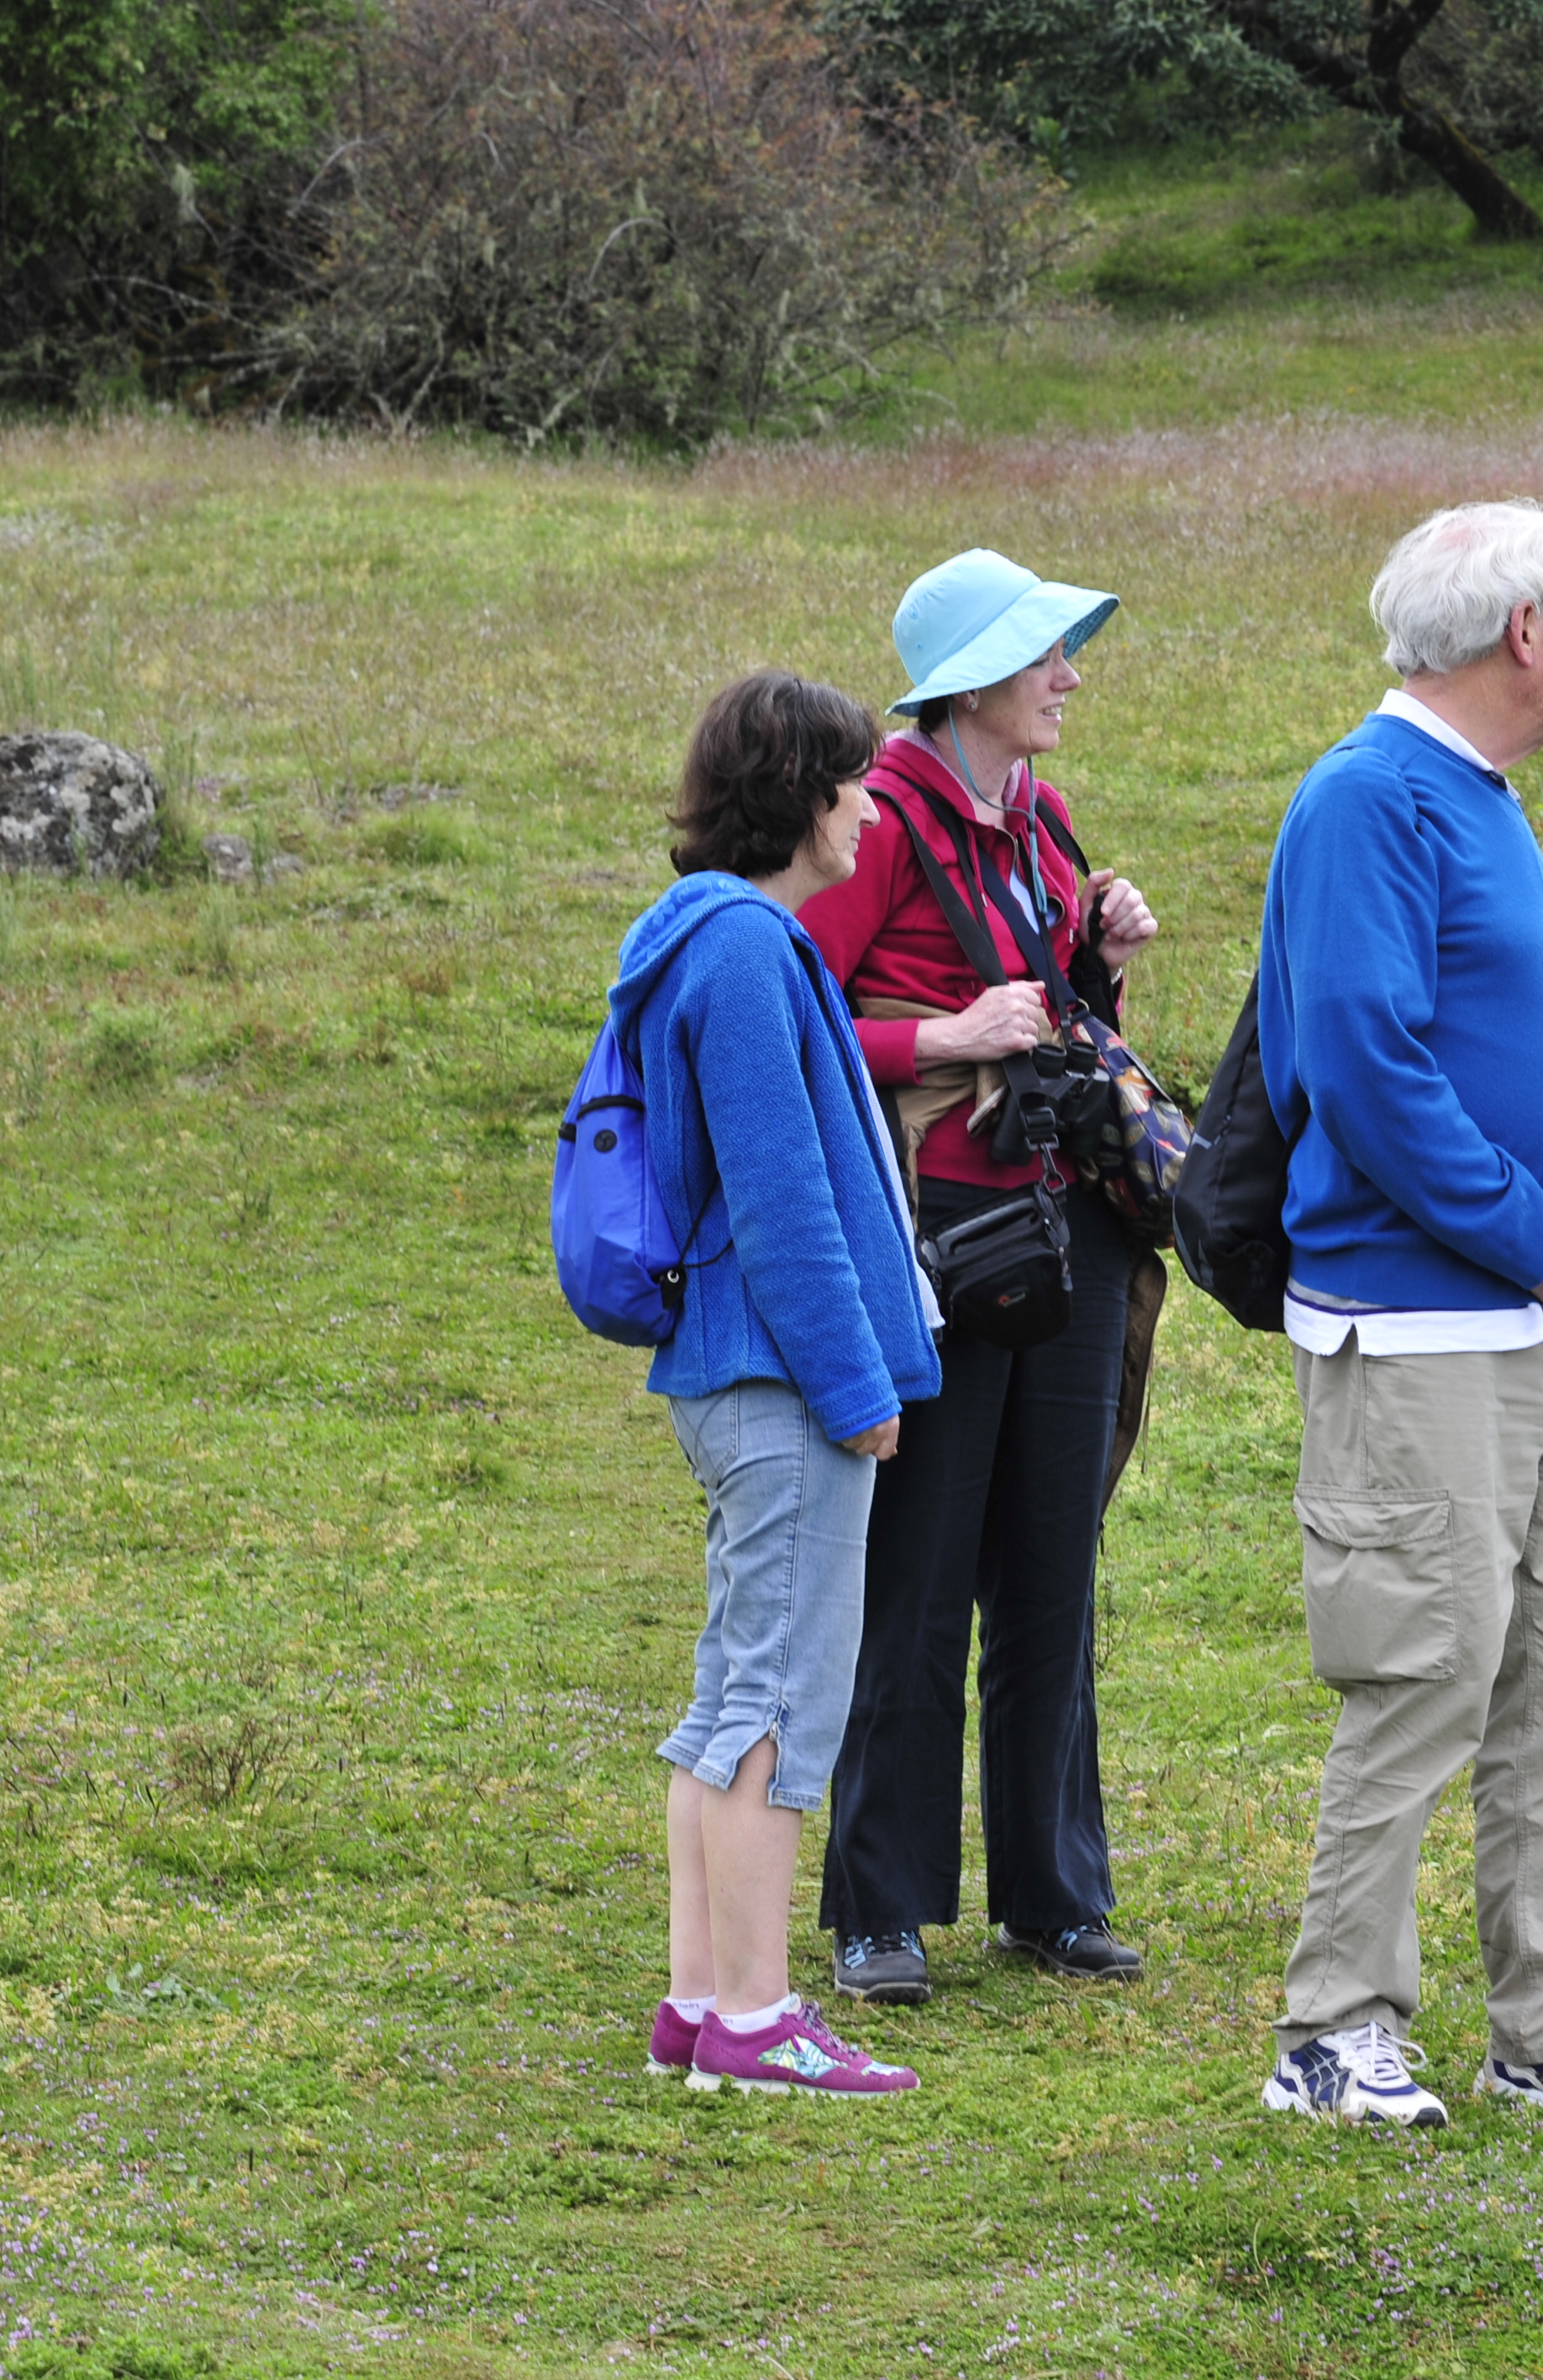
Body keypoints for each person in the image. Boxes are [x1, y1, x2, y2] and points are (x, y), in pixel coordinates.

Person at [1251, 499, 1543, 2129]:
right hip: (1426, 1328)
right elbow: (1364, 1071)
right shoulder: (1368, 800)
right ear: (1521, 630)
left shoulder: (1482, 799)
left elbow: (1537, 1047)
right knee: (1425, 1674)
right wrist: (1534, 1243)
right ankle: (1333, 2032)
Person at [800, 550, 1164, 2002]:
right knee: (918, 1568)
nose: (1069, 674)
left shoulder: (1044, 822)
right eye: (1045, 654)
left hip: (1062, 1229)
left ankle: (1056, 1896)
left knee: (1051, 1565)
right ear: (972, 680)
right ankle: (877, 1908)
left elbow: (1059, 1019)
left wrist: (1099, 955)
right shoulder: (880, 822)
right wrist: (949, 1038)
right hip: (937, 1240)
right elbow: (799, 1007)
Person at [617, 670, 942, 2098]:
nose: (872, 808)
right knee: (779, 1698)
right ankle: (754, 2019)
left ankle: (702, 2004)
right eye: (857, 784)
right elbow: (783, 1197)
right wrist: (854, 1381)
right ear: (803, 798)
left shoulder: (707, 937)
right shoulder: (747, 950)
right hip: (776, 1368)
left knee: (730, 1687)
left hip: (742, 1366)